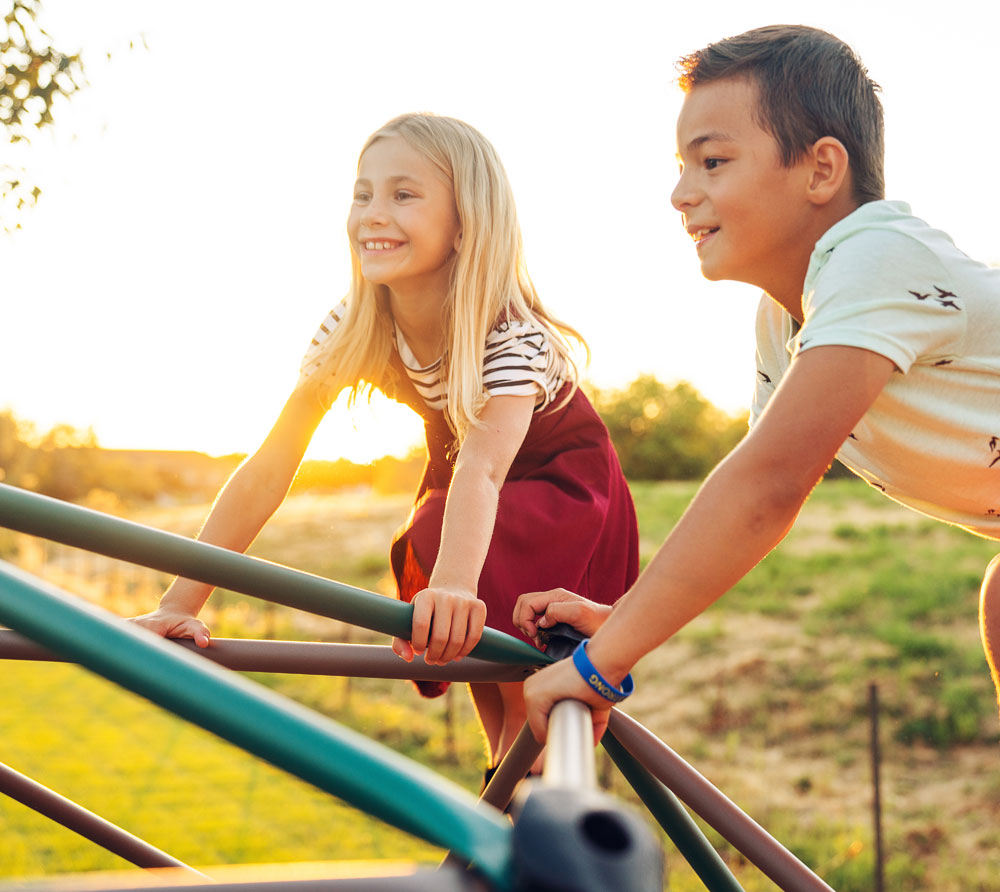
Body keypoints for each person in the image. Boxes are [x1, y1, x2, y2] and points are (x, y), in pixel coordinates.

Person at [513, 24, 1000, 744]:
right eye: (682, 166)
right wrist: (624, 623)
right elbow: (742, 511)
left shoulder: (875, 255)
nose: (681, 193)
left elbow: (767, 488)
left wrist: (600, 665)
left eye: (712, 162)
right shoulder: (785, 322)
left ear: (821, 170)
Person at [133, 112, 639, 777]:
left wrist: (455, 583)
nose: (373, 212)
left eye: (403, 194)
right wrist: (179, 604)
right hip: (462, 480)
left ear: (465, 222)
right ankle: (507, 793)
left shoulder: (507, 334)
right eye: (362, 193)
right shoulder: (353, 323)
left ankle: (539, 802)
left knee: (507, 664)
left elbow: (486, 470)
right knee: (482, 667)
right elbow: (269, 466)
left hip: (561, 486)